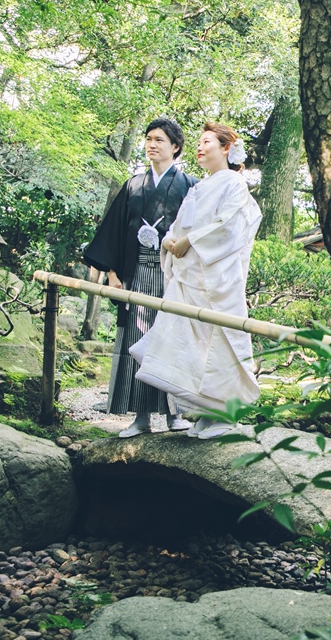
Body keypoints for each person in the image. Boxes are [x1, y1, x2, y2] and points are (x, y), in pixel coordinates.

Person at [130, 121, 262, 439]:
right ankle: (207, 410)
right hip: (190, 277)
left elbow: (228, 227)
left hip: (217, 281)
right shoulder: (200, 186)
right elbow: (180, 226)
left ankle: (227, 412)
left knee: (220, 345)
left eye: (207, 142)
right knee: (189, 344)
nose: (200, 148)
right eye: (199, 143)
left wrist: (189, 242)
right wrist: (169, 241)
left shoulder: (234, 184)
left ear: (226, 148)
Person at [83, 118, 198, 438]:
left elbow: (200, 232)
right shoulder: (134, 184)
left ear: (175, 146)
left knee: (173, 338)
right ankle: (141, 417)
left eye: (159, 139)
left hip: (174, 273)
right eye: (149, 139)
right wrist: (113, 273)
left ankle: (176, 413)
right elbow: (115, 232)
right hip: (137, 270)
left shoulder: (190, 185)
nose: (152, 144)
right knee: (137, 340)